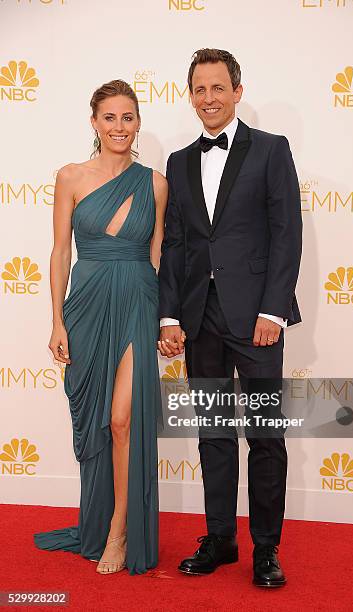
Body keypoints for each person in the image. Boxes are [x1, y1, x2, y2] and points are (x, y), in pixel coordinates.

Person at [158, 49, 302, 587]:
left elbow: (287, 234)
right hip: (201, 319)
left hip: (257, 318)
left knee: (265, 435)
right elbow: (176, 244)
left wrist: (274, 309)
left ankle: (266, 549)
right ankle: (220, 537)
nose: (209, 98)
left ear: (237, 92)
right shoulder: (178, 161)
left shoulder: (271, 150)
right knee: (214, 434)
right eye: (200, 89)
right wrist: (168, 315)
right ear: (190, 95)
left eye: (219, 88)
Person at [33, 79, 168, 575]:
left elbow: (157, 254)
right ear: (94, 122)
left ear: (138, 123)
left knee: (121, 421)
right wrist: (56, 321)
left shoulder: (155, 182)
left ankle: (119, 529)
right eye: (109, 117)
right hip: (86, 307)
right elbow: (60, 252)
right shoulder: (69, 177)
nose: (119, 127)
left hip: (137, 300)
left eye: (127, 117)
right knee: (96, 421)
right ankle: (101, 519)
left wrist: (164, 319)